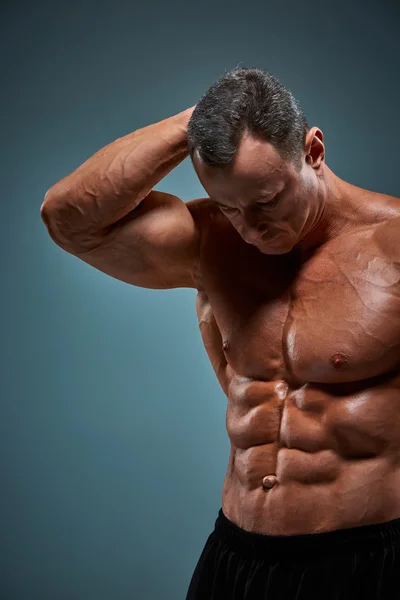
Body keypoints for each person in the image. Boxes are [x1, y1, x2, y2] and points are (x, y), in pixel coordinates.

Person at [41, 67, 400, 599]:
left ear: (313, 151)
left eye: (266, 203)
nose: (250, 231)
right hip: (237, 556)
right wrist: (198, 121)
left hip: (365, 562)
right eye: (230, 206)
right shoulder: (212, 240)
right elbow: (68, 219)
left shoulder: (391, 246)